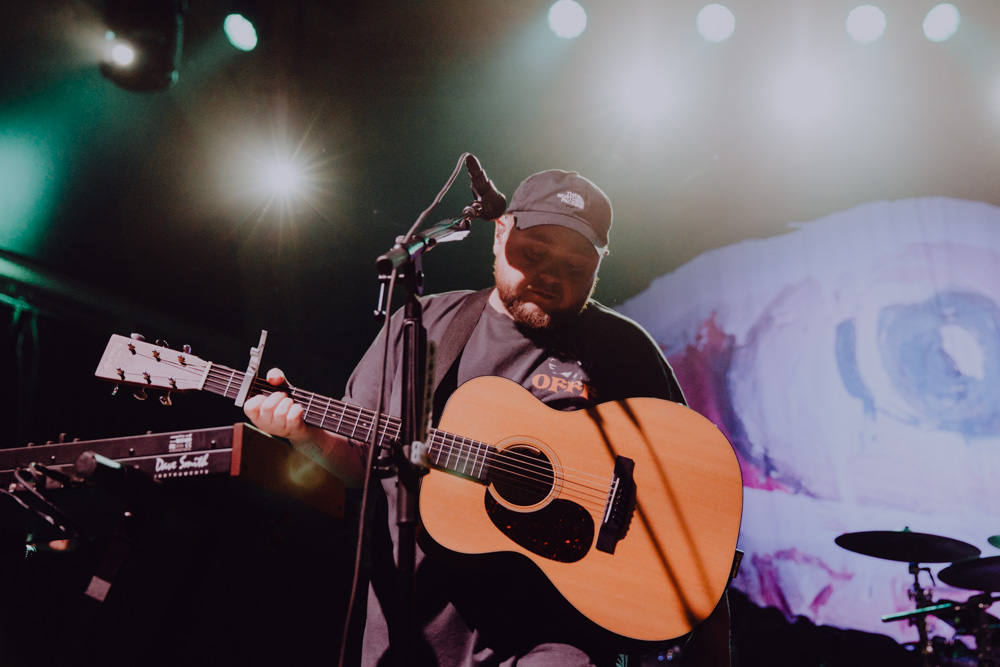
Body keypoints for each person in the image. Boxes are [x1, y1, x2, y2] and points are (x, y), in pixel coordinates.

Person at [244, 169, 732, 666]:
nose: (550, 275)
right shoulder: (423, 327)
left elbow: (694, 489)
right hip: (412, 636)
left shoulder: (621, 351)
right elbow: (363, 461)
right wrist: (304, 433)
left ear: (599, 265)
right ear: (500, 233)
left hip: (559, 641)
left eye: (575, 266)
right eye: (535, 254)